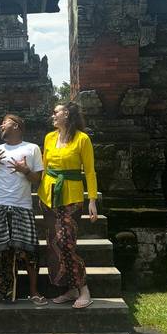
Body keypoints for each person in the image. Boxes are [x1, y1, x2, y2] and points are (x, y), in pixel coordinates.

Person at [0, 113, 46, 305]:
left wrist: (24, 169)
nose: (1, 126)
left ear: (16, 126)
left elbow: (37, 180)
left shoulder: (32, 149)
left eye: (4, 123)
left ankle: (34, 291)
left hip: (21, 205)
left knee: (29, 249)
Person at [38, 101, 98, 309]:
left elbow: (89, 171)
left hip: (71, 197)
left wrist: (92, 200)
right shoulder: (49, 137)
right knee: (54, 244)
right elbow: (45, 168)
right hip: (48, 197)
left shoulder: (82, 139)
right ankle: (69, 288)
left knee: (67, 242)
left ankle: (83, 288)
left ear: (68, 114)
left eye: (56, 112)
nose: (53, 115)